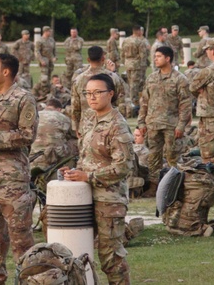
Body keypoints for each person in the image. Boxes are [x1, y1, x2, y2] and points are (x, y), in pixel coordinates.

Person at [63, 73, 133, 285]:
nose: (91, 97)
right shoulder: (89, 119)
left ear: (110, 94)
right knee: (77, 249)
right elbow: (88, 157)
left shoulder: (117, 125)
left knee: (111, 257)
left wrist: (88, 176)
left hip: (109, 200)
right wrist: (75, 172)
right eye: (88, 93)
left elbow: (123, 167)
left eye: (97, 93)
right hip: (84, 195)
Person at [0, 53, 38, 285]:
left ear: (6, 71)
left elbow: (27, 136)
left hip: (12, 180)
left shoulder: (23, 99)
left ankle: (30, 281)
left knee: (20, 238)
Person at [136, 46, 192, 187]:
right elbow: (144, 101)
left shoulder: (180, 79)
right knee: (153, 156)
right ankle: (155, 185)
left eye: (159, 56)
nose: (155, 59)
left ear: (168, 59)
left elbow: (185, 105)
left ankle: (174, 186)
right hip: (153, 124)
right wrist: (141, 122)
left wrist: (181, 125)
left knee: (173, 157)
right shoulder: (152, 78)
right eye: (155, 56)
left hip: (171, 126)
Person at [71, 46, 128, 132]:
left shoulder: (79, 79)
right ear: (103, 58)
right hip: (109, 125)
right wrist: (123, 122)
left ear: (88, 59)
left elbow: (75, 106)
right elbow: (121, 102)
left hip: (86, 126)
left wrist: (76, 127)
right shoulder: (112, 77)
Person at [30, 97, 77, 172]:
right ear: (59, 109)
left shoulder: (35, 116)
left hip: (33, 154)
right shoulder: (63, 117)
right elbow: (76, 134)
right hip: (55, 155)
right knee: (76, 141)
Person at [121, 26, 150, 105]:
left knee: (130, 82)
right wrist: (143, 66)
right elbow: (143, 55)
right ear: (138, 31)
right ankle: (133, 102)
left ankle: (131, 100)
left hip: (128, 63)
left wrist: (124, 62)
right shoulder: (140, 41)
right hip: (136, 65)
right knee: (135, 84)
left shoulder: (126, 40)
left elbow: (122, 53)